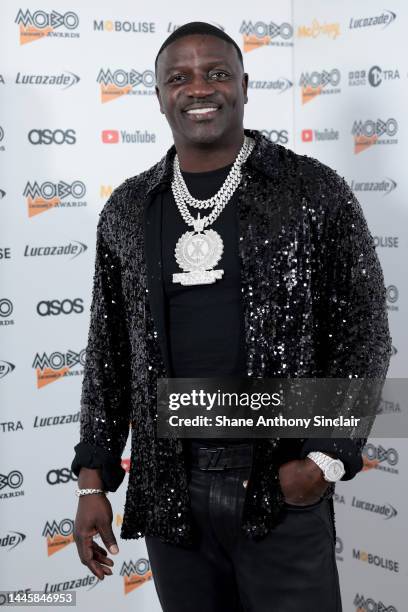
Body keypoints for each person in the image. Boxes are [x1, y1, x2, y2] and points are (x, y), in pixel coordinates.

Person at [71, 22, 392, 612]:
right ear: (160, 95)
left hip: (279, 479)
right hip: (171, 486)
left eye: (217, 73)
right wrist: (93, 479)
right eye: (180, 77)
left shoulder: (312, 191)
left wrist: (324, 460)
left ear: (244, 85)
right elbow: (108, 351)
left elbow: (365, 337)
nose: (200, 88)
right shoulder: (128, 208)